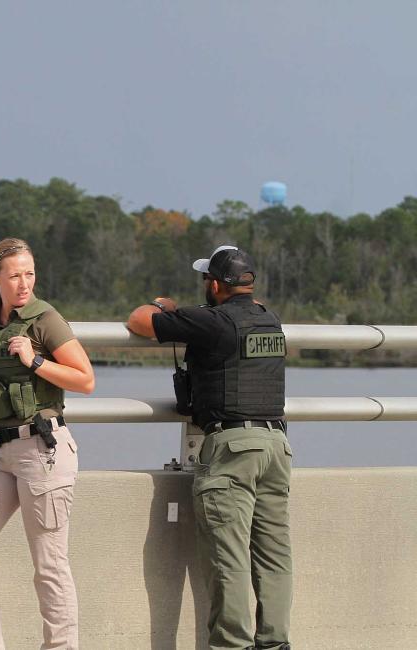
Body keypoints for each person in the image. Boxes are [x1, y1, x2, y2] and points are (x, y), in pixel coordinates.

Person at [126, 245, 292, 650]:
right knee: (273, 557)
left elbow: (139, 321)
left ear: (214, 284)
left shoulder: (213, 322)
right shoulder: (269, 320)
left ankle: (231, 646)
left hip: (232, 450)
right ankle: (274, 643)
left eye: (206, 280)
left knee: (229, 559)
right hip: (277, 447)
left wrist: (160, 306)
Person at [0, 237, 95, 650]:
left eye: (29, 274)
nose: (24, 283)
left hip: (43, 451)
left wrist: (35, 359)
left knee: (49, 567)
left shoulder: (45, 318)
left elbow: (85, 380)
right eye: (14, 276)